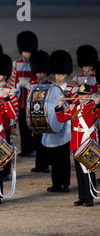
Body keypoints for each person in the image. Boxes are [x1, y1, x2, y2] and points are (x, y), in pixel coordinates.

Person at [56, 84, 99, 207]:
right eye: (80, 95)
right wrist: (60, 107)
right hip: (76, 143)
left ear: (89, 95)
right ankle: (82, 197)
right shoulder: (75, 108)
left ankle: (90, 197)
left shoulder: (93, 107)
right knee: (80, 172)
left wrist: (98, 104)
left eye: (85, 95)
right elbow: (61, 119)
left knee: (88, 171)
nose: (82, 97)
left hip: (87, 142)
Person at [43, 50, 74, 193]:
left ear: (66, 75)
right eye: (56, 74)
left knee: (64, 157)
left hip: (65, 125)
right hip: (52, 124)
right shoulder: (49, 88)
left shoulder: (71, 89)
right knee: (54, 157)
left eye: (60, 74)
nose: (57, 76)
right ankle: (56, 183)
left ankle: (65, 183)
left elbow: (75, 106)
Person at [0, 53, 19, 181]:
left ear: (6, 75)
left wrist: (13, 126)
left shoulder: (11, 90)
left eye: (0, 74)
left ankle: (6, 172)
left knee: (6, 147)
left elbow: (15, 110)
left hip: (6, 124)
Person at [11, 31, 38, 157]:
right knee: (22, 124)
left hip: (32, 100)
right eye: (24, 52)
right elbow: (13, 81)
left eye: (27, 52)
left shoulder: (35, 63)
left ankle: (33, 148)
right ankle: (25, 148)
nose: (26, 54)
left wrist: (28, 84)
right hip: (21, 100)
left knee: (32, 125)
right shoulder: (16, 64)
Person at [28, 50, 52, 173]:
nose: (40, 75)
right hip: (35, 117)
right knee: (37, 143)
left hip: (45, 117)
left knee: (45, 141)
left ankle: (46, 164)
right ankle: (39, 165)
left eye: (42, 72)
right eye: (37, 73)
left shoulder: (50, 85)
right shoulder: (32, 84)